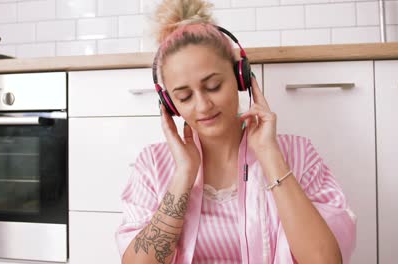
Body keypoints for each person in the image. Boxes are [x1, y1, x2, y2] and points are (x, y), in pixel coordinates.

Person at [115, 0, 356, 263]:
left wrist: (269, 155)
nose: (203, 106)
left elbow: (325, 260)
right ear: (170, 105)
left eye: (214, 86)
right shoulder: (152, 165)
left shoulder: (297, 153)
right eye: (184, 97)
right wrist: (184, 173)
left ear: (240, 77)